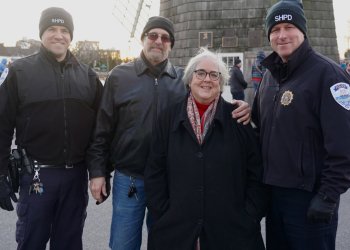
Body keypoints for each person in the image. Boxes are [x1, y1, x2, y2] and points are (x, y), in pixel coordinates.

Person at [87, 16, 251, 250]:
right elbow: (102, 128)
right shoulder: (119, 77)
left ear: (171, 45)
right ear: (143, 39)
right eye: (152, 35)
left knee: (167, 242)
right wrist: (97, 171)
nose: (158, 41)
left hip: (171, 180)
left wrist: (240, 106)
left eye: (165, 38)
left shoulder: (183, 80)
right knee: (123, 244)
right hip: (130, 177)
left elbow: (208, 102)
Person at [0, 7, 103, 250]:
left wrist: (100, 171)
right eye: (52, 29)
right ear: (42, 34)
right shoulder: (20, 72)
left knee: (69, 243)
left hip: (75, 177)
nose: (59, 35)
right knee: (31, 242)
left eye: (64, 30)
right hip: (36, 176)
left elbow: (102, 130)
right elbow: (2, 125)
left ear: (71, 35)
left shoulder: (87, 76)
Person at [145, 48, 268, 250]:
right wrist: (163, 212)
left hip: (231, 230)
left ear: (221, 83)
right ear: (189, 79)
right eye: (200, 73)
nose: (207, 80)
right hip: (176, 227)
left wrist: (249, 214)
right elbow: (155, 170)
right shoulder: (168, 118)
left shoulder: (238, 119)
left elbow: (256, 172)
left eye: (214, 75)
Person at [252, 0, 350, 249]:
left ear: (302, 31)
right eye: (275, 29)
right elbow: (260, 129)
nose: (282, 35)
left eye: (288, 26)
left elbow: (344, 143)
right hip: (275, 197)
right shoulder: (268, 77)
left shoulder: (328, 75)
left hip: (310, 198)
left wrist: (328, 196)